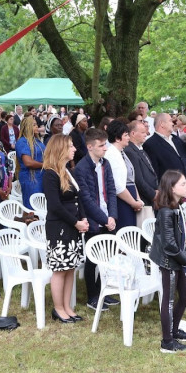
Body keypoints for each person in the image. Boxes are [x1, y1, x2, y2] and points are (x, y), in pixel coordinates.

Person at [42, 134, 88, 323]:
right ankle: (58, 308)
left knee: (70, 268)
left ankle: (67, 306)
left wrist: (83, 218)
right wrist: (76, 222)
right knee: (60, 269)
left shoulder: (68, 171)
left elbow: (79, 197)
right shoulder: (50, 174)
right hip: (60, 227)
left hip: (73, 226)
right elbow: (55, 206)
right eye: (70, 146)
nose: (74, 149)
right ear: (61, 149)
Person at [73, 127, 119, 311]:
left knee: (108, 257)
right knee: (92, 259)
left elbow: (112, 190)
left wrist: (112, 216)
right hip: (93, 219)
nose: (105, 148)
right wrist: (104, 219)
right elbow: (86, 199)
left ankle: (103, 291)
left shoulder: (105, 164)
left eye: (105, 144)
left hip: (108, 216)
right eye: (101, 145)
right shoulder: (81, 168)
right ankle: (92, 296)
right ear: (90, 147)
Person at [150, 170, 186, 353]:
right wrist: (184, 258)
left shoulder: (176, 207)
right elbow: (169, 244)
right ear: (172, 188)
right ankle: (167, 342)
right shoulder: (166, 212)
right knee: (168, 300)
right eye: (183, 184)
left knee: (185, 295)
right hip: (169, 261)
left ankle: (174, 331)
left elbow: (178, 237)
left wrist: (184, 255)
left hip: (176, 259)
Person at [104, 120, 143, 229]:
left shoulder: (121, 152)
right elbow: (118, 186)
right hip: (122, 200)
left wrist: (138, 199)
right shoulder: (111, 154)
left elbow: (130, 178)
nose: (128, 138)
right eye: (126, 135)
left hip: (130, 197)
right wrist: (133, 202)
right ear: (117, 138)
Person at [143, 112, 186, 181]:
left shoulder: (175, 138)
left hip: (183, 183)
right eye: (170, 121)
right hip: (168, 185)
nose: (173, 123)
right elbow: (153, 172)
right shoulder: (150, 144)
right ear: (162, 124)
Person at [124, 119, 158, 212]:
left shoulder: (140, 149)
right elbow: (138, 179)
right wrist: (153, 194)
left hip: (150, 197)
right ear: (133, 133)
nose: (146, 134)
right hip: (143, 199)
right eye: (142, 132)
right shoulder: (129, 151)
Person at [15, 116, 46, 209]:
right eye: (34, 125)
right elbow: (28, 162)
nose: (37, 126)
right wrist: (45, 165)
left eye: (36, 124)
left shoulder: (36, 140)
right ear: (27, 127)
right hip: (31, 178)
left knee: (41, 206)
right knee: (32, 207)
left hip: (41, 176)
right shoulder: (22, 142)